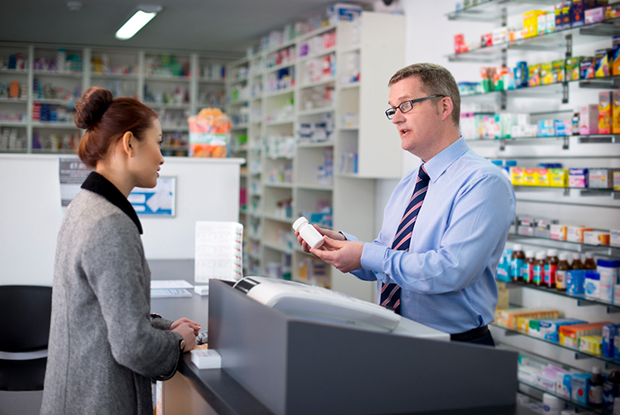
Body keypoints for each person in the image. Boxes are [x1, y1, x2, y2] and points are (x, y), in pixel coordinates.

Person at [297, 63, 515, 347]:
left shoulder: (483, 181)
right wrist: (341, 244)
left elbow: (452, 270)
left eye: (406, 106)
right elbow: (387, 260)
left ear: (444, 107)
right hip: (395, 335)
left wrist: (365, 254)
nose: (396, 119)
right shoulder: (410, 182)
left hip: (453, 346)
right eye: (392, 109)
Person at [41, 86, 199, 415]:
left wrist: (163, 327)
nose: (162, 157)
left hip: (74, 393)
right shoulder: (110, 225)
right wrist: (178, 341)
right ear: (129, 144)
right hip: (98, 401)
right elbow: (134, 347)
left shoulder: (85, 206)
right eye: (157, 143)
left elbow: (103, 314)